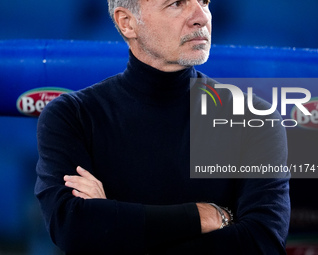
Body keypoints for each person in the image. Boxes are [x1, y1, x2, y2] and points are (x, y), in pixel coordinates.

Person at [35, 0, 290, 254]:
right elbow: (72, 226)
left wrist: (114, 223)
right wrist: (202, 217)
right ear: (127, 23)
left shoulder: (254, 117)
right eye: (176, 4)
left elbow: (261, 243)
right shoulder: (72, 115)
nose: (201, 17)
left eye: (204, 1)